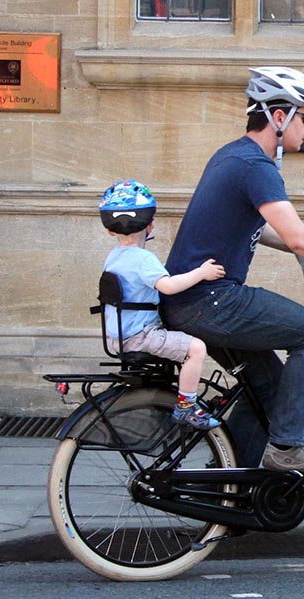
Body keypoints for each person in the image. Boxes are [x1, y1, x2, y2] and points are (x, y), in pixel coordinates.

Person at [160, 66, 304, 473]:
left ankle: (231, 486)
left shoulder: (233, 155)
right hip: (213, 300)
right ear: (279, 117)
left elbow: (272, 232)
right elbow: (296, 236)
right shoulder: (255, 167)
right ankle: (288, 448)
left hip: (191, 301)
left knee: (271, 388)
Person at [98, 180, 226, 430]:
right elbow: (168, 286)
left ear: (110, 231)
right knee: (196, 349)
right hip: (141, 336)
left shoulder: (114, 257)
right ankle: (187, 406)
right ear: (150, 224)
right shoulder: (143, 258)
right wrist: (202, 273)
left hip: (121, 335)